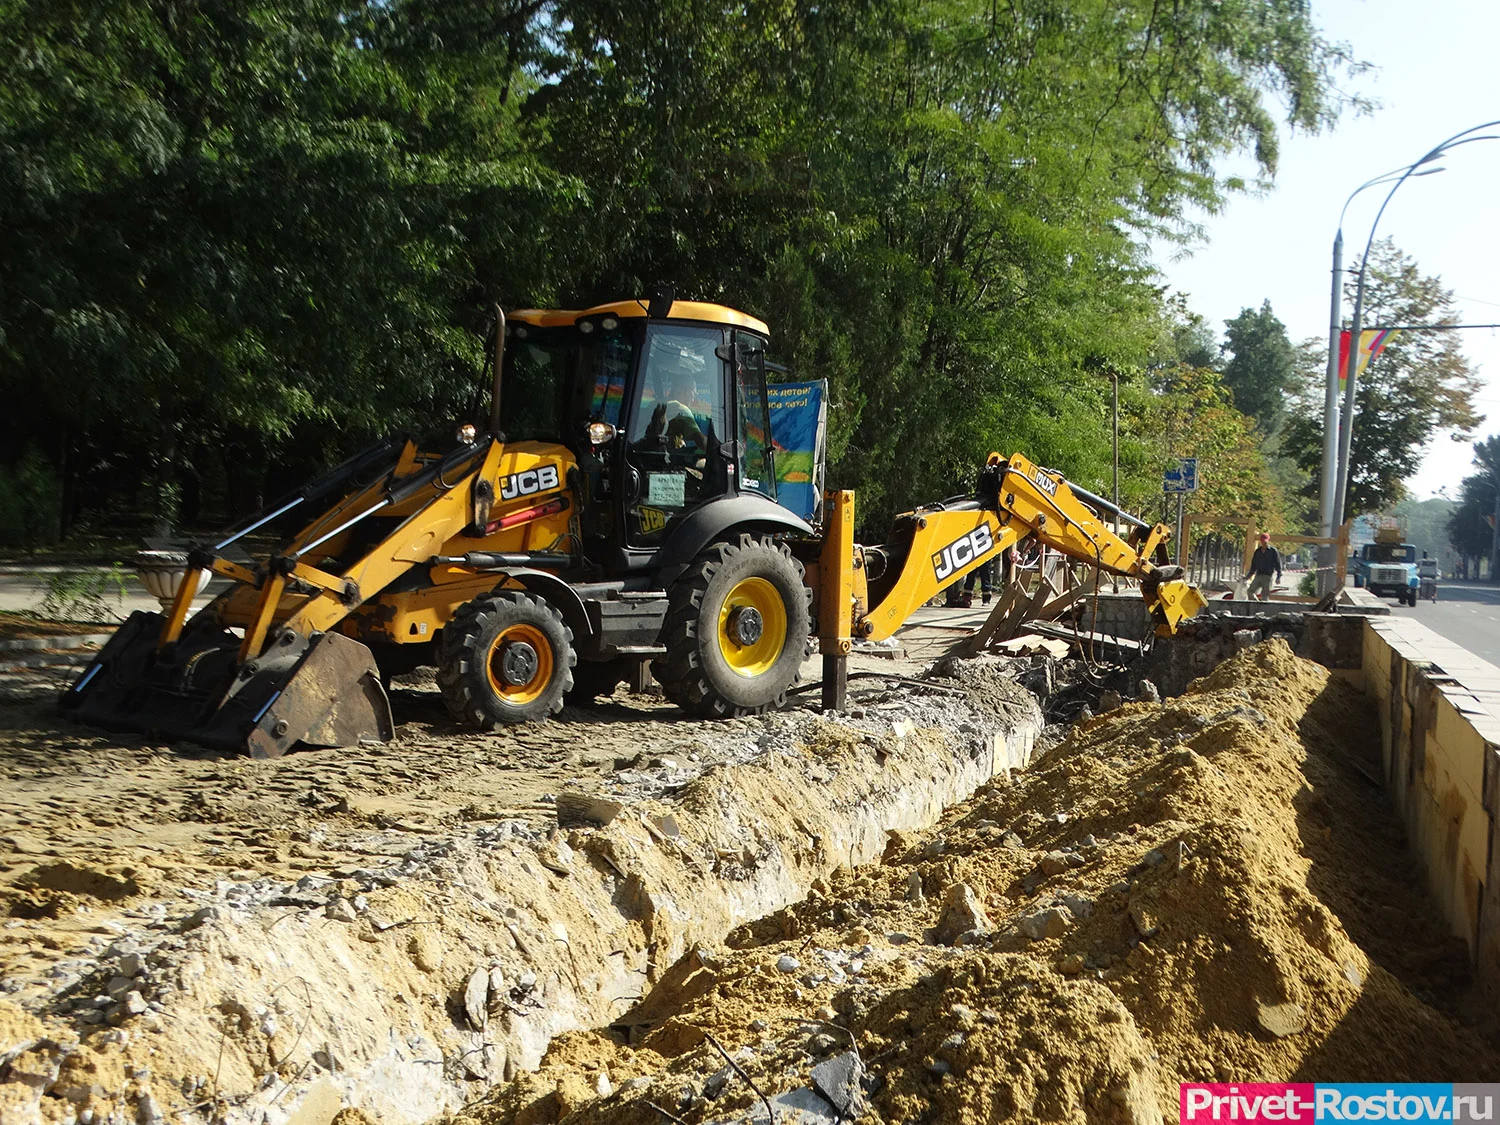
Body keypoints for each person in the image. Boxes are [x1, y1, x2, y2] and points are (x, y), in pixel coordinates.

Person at [1244, 531, 1282, 601]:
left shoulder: (1273, 551)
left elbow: (1278, 564)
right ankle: (1255, 604)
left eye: (1265, 542)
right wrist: (1248, 576)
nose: (1264, 543)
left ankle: (1263, 610)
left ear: (1268, 541)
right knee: (1250, 591)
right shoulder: (1257, 552)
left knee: (1265, 596)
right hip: (1259, 575)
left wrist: (1278, 576)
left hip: (1268, 576)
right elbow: (1254, 565)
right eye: (1262, 542)